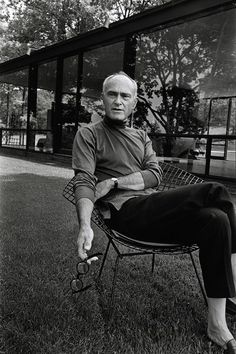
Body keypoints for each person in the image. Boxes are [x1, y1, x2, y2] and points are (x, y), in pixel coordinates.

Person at [72, 71, 236, 353]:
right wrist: (85, 225)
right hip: (126, 213)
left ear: (134, 103)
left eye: (125, 96)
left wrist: (114, 181)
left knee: (217, 219)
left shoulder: (141, 136)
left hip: (154, 209)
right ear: (103, 99)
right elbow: (85, 183)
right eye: (113, 94)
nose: (119, 101)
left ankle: (217, 323)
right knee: (215, 192)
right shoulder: (88, 134)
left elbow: (155, 175)